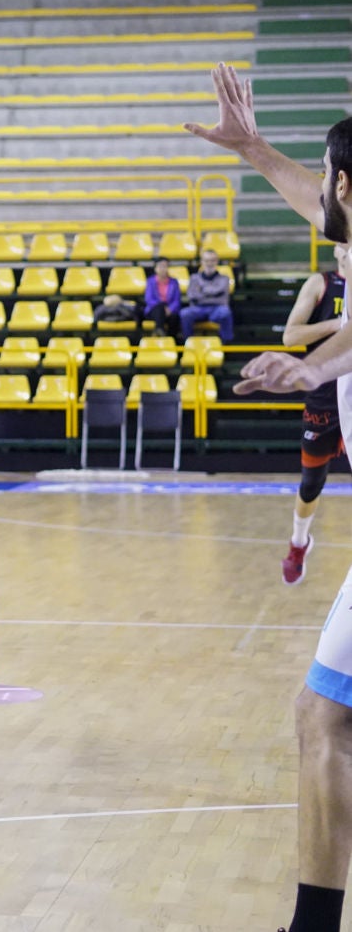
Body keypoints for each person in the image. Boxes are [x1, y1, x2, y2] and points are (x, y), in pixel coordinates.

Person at [189, 63, 352, 932]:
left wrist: (311, 365)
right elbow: (310, 202)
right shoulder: (349, 233)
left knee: (326, 718)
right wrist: (253, 148)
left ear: (348, 184)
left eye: (328, 178)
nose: (319, 191)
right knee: (323, 713)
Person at [280, 243, 349, 586]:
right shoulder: (320, 284)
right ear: (338, 249)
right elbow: (290, 336)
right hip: (324, 398)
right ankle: (298, 543)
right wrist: (340, 325)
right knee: (312, 482)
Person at [179, 250, 234, 341]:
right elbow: (191, 296)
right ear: (202, 262)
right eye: (206, 260)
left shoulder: (224, 279)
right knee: (185, 313)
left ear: (216, 261)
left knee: (225, 312)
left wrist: (202, 292)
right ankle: (188, 343)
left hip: (217, 308)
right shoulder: (194, 278)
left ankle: (226, 344)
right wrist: (215, 293)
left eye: (212, 260)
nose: (209, 263)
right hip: (198, 309)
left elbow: (222, 300)